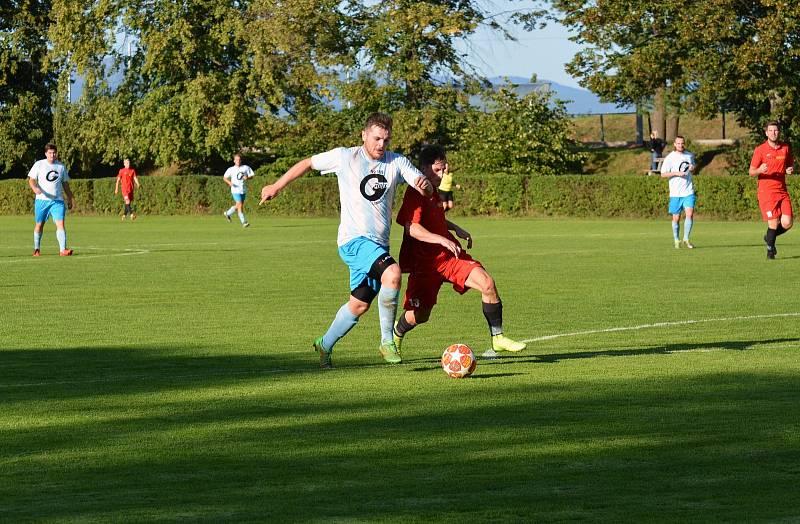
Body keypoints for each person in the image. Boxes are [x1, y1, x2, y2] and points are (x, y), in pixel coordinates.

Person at [259, 113, 432, 368]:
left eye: (386, 139)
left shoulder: (396, 162)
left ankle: (324, 344)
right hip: (353, 241)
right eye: (376, 139)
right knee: (393, 274)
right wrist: (276, 185)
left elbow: (424, 187)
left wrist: (425, 185)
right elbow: (307, 163)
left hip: (378, 246)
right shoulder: (344, 157)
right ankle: (387, 342)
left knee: (359, 304)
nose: (381, 145)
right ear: (364, 135)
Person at [393, 144, 526, 357]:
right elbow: (412, 228)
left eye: (444, 169)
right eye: (438, 170)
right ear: (424, 169)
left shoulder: (434, 191)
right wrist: (441, 240)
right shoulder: (414, 192)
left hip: (450, 259)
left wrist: (454, 228)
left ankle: (498, 337)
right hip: (426, 265)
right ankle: (396, 334)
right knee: (420, 315)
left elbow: (435, 219)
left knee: (487, 284)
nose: (443, 174)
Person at [749, 121, 794, 259]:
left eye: (776, 130)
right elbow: (751, 171)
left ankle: (769, 237)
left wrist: (789, 169)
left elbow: (789, 164)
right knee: (773, 223)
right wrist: (759, 170)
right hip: (766, 192)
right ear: (766, 133)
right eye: (771, 130)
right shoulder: (760, 149)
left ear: (779, 132)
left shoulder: (785, 148)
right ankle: (770, 251)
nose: (773, 133)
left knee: (787, 223)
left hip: (782, 191)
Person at [27, 143, 74, 256]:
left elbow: (65, 184)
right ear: (45, 154)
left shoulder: (61, 166)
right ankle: (37, 249)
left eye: (54, 153)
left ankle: (63, 250)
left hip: (57, 201)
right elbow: (31, 180)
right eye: (50, 153)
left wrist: (70, 198)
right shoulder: (39, 164)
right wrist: (34, 188)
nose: (52, 155)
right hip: (42, 201)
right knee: (39, 225)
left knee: (61, 224)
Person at [660, 135, 697, 249]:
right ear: (675, 144)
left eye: (682, 143)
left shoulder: (689, 155)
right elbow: (662, 174)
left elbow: (693, 166)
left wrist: (693, 167)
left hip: (688, 191)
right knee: (676, 218)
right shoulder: (670, 157)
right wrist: (676, 173)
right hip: (675, 193)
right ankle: (676, 239)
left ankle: (686, 238)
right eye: (678, 143)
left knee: (690, 214)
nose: (681, 145)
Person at [223, 153, 255, 228]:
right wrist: (229, 183)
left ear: (241, 160)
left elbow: (252, 175)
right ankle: (244, 222)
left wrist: (247, 178)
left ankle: (227, 213)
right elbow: (224, 178)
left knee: (238, 205)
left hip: (243, 190)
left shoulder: (245, 167)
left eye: (239, 159)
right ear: (234, 161)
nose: (238, 161)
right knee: (240, 205)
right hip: (235, 190)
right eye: (236, 159)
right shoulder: (231, 169)